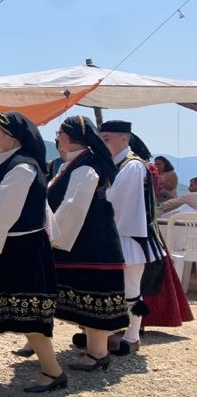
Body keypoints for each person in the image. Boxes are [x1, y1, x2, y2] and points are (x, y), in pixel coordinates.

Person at [0, 112, 65, 394]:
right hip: (5, 246)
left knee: (26, 311)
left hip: (20, 250)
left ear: (13, 136)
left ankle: (53, 371)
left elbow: (2, 211)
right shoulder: (12, 163)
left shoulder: (23, 167)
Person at [48, 116, 128, 372]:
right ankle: (97, 351)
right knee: (89, 297)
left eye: (60, 133)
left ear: (71, 136)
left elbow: (73, 207)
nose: (57, 137)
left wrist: (51, 235)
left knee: (94, 297)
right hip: (84, 243)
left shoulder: (86, 166)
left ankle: (98, 352)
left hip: (91, 246)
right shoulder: (76, 163)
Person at [100, 121, 166, 356]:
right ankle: (107, 334)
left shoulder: (132, 165)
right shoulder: (116, 164)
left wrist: (97, 197)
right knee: (111, 287)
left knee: (130, 288)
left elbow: (117, 200)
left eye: (106, 139)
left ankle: (132, 336)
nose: (103, 143)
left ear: (124, 139)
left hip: (130, 236)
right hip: (117, 234)